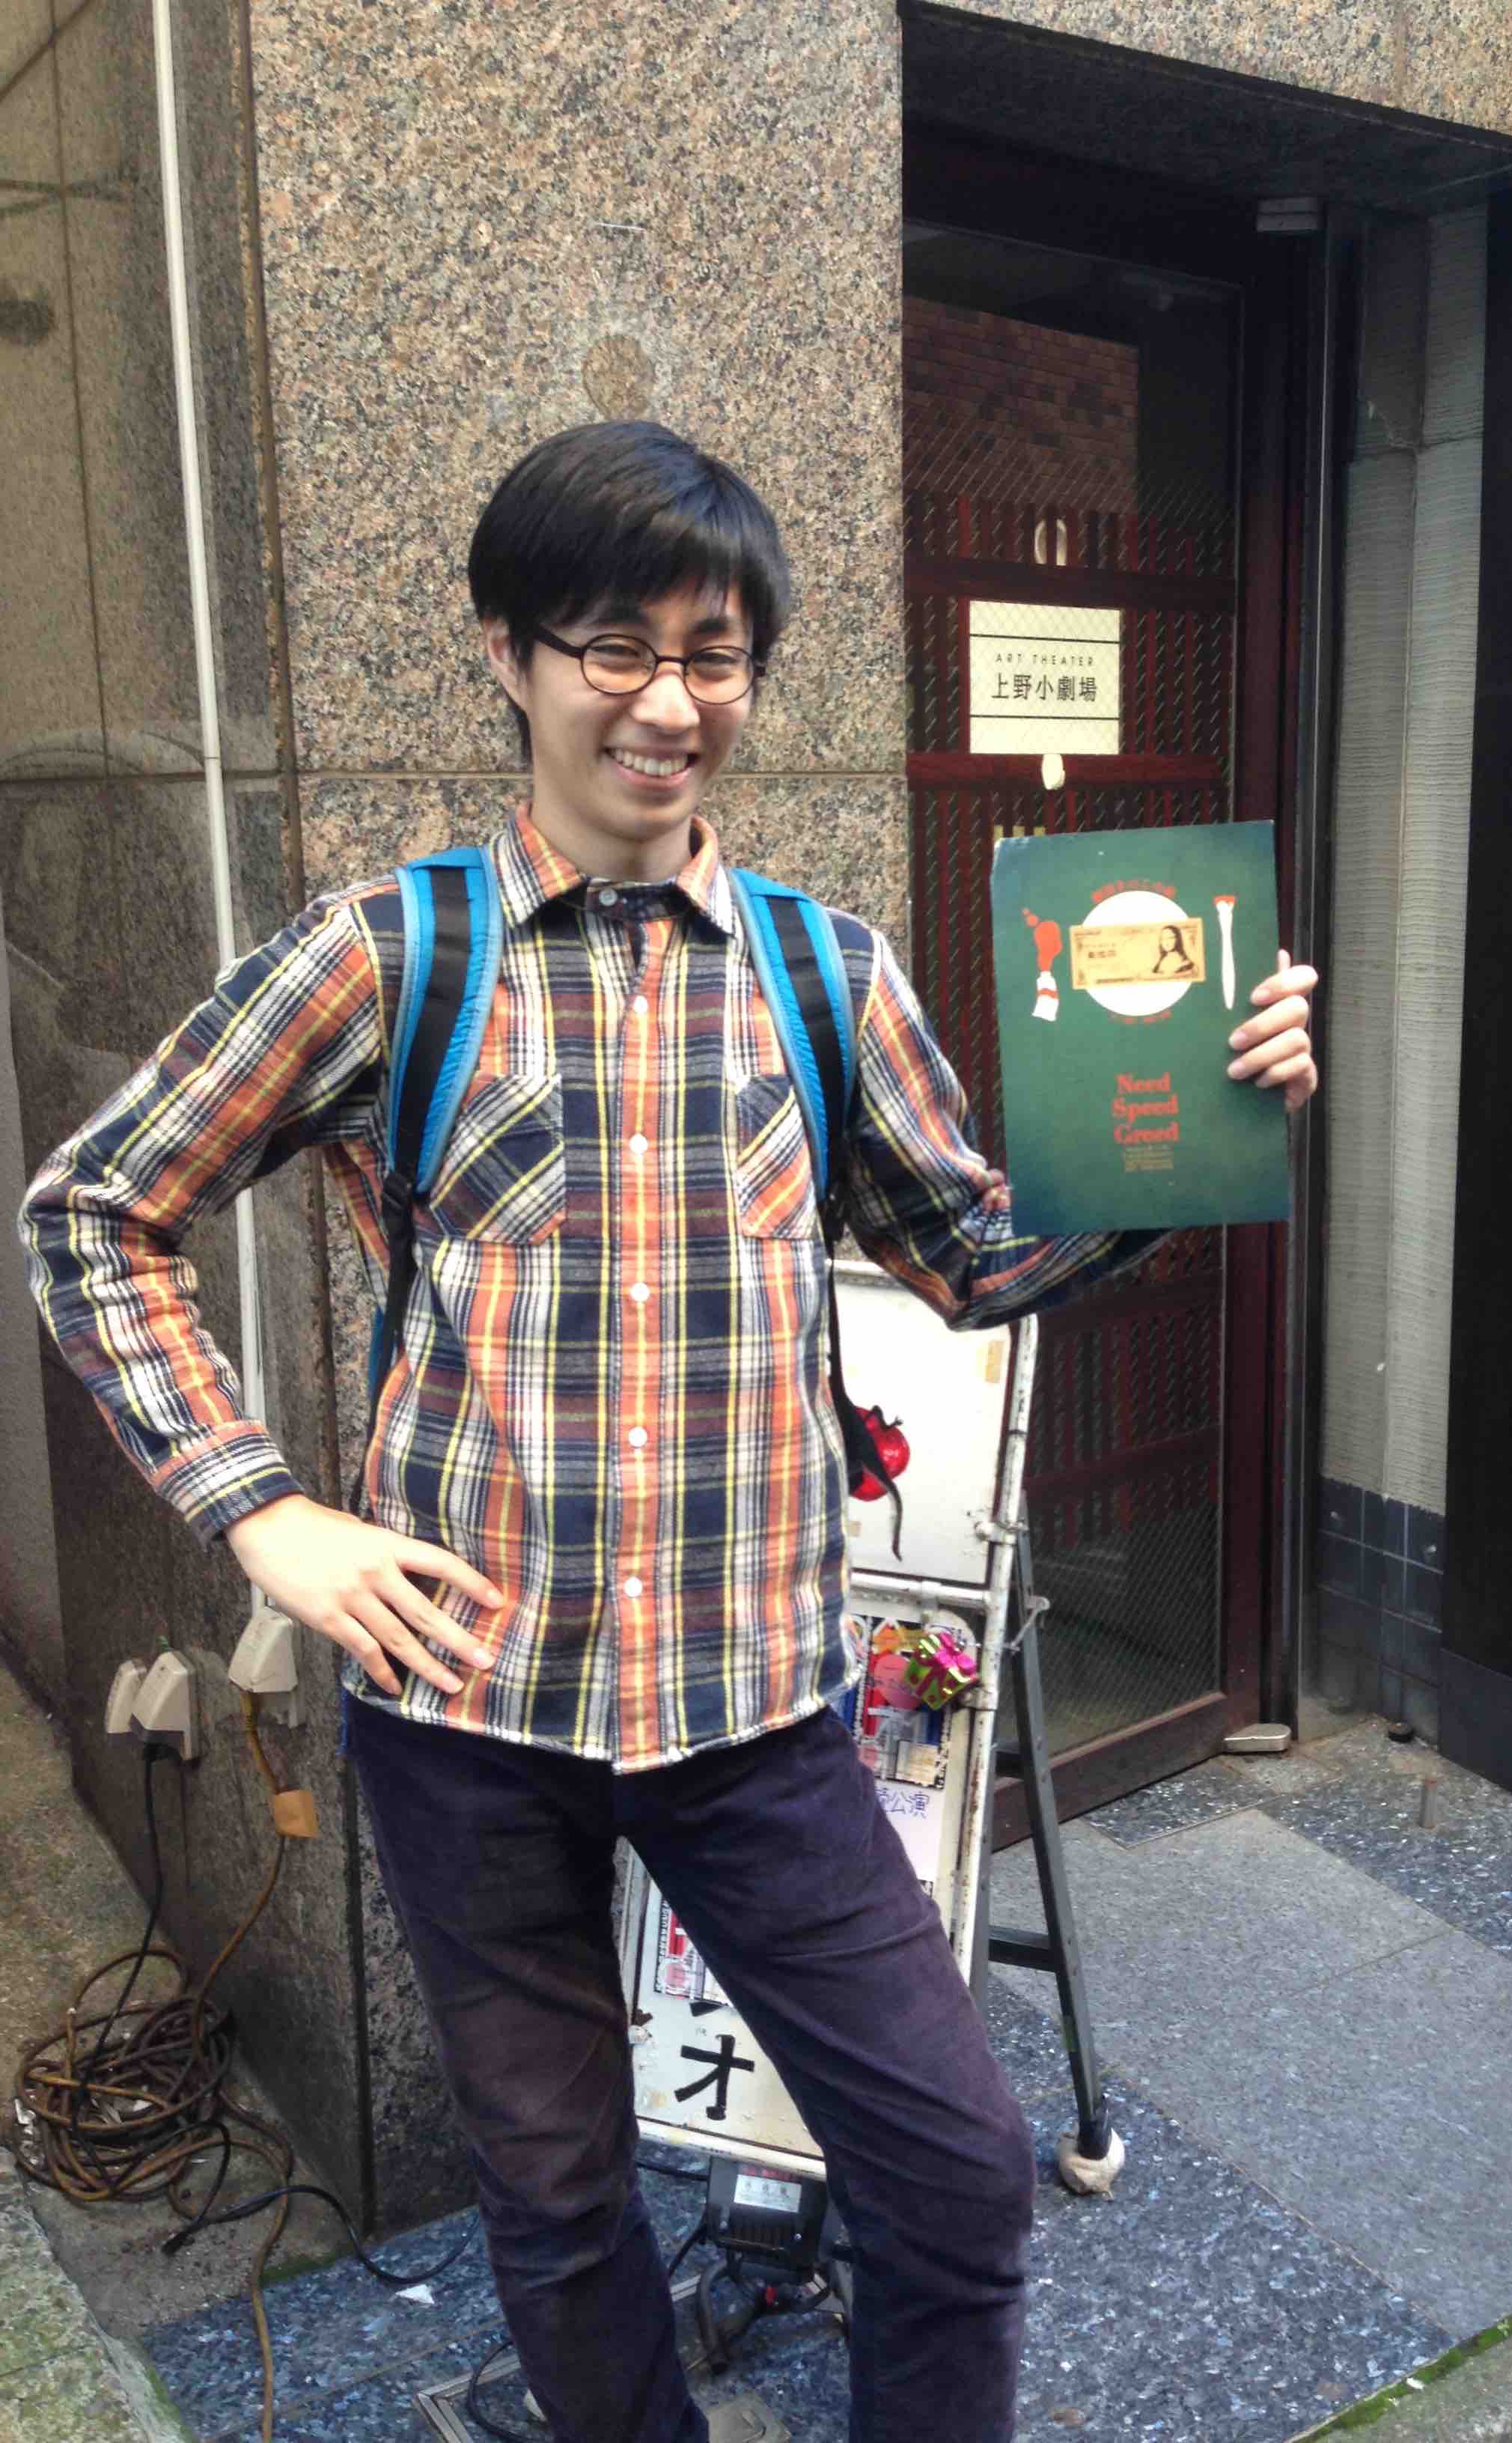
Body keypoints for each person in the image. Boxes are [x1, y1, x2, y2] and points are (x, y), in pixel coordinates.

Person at [20, 421, 1319, 2443]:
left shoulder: (821, 968)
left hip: (757, 1712)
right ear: (511, 653)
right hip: (472, 1710)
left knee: (958, 2173)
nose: (667, 700)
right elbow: (96, 1211)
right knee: (552, 2197)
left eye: (714, 654)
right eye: (613, 645)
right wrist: (262, 1513)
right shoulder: (392, 954)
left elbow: (974, 1258)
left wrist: (1196, 1133)